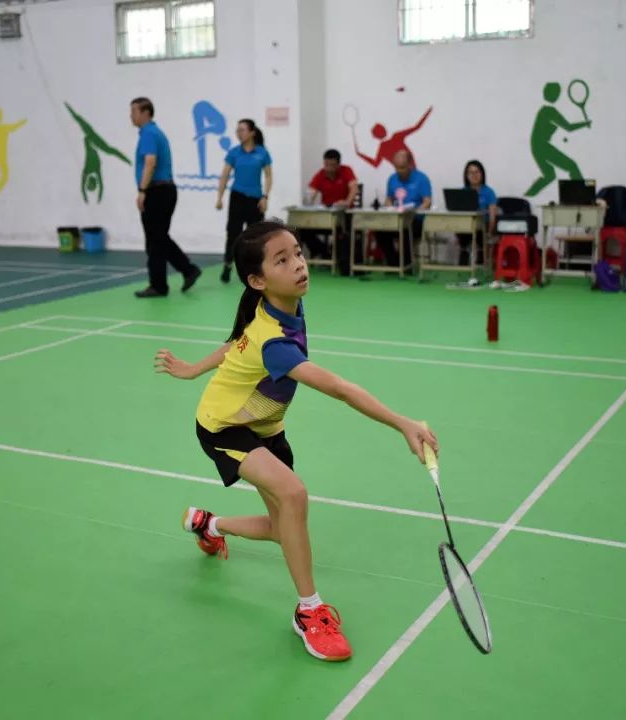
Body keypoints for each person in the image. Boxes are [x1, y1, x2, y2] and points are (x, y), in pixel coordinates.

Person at [153, 220, 438, 662]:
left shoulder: (281, 306)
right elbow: (340, 389)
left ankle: (209, 525)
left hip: (266, 428)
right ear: (258, 280)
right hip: (224, 427)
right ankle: (310, 611)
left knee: (284, 528)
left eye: (298, 253)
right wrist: (402, 422)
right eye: (282, 260)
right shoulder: (276, 343)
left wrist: (192, 369)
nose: (299, 265)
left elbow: (235, 343)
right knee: (295, 496)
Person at [130, 97, 202, 298]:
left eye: (134, 111)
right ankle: (188, 270)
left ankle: (159, 285)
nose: (131, 115)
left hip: (157, 191)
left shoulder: (149, 133)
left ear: (146, 113)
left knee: (155, 240)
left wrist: (142, 191)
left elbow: (150, 162)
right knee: (158, 238)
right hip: (162, 191)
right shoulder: (152, 132)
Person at [216, 119, 273, 283]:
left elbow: (268, 176)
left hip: (255, 199)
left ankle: (255, 270)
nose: (238, 133)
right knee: (233, 233)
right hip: (237, 198)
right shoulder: (234, 152)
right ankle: (227, 265)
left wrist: (265, 196)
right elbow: (225, 175)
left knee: (256, 237)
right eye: (237, 130)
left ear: (252, 132)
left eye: (242, 130)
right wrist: (219, 197)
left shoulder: (262, 153)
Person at [525, 82, 591, 197]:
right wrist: (585, 124)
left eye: (558, 92)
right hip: (541, 146)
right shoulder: (549, 111)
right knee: (572, 166)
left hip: (536, 146)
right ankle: (584, 196)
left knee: (549, 175)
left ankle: (529, 195)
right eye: (557, 92)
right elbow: (569, 127)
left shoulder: (545, 110)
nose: (558, 95)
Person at [300, 149, 358, 274]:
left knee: (345, 231)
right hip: (326, 215)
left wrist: (347, 202)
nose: (328, 168)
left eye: (332, 165)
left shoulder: (346, 171)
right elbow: (311, 193)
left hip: (344, 215)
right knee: (302, 230)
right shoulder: (320, 174)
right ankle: (324, 253)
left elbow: (354, 188)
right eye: (326, 165)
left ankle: (343, 262)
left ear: (338, 164)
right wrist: (308, 198)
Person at [378, 150, 431, 267]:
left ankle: (406, 263)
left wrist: (416, 211)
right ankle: (393, 261)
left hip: (415, 219)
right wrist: (390, 207)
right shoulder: (392, 178)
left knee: (407, 230)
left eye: (402, 168)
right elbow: (388, 198)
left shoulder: (422, 178)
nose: (399, 171)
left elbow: (427, 201)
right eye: (396, 168)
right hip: (396, 218)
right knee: (379, 230)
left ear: (410, 165)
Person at [458, 160, 498, 265]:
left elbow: (492, 216)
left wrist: (490, 232)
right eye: (471, 173)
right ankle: (463, 265)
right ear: (466, 175)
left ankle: (480, 266)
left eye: (477, 172)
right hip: (466, 226)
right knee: (462, 234)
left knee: (480, 236)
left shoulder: (489, 192)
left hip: (483, 226)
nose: (474, 175)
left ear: (482, 174)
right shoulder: (463, 191)